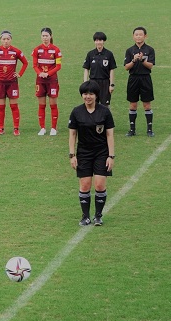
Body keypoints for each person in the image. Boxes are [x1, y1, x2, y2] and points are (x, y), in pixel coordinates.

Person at [68, 80, 115, 227]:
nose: (88, 97)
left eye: (91, 94)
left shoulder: (104, 112)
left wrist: (111, 156)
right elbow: (72, 134)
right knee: (85, 185)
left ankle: (98, 216)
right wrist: (72, 155)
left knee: (100, 185)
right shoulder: (76, 112)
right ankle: (86, 216)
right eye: (85, 94)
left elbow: (109, 135)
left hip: (101, 152)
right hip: (83, 153)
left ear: (96, 95)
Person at [0, 30, 28, 136]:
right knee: (0, 106)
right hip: (0, 83)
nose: (6, 41)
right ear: (0, 40)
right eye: (3, 39)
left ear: (11, 40)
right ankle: (1, 129)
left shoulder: (16, 51)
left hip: (12, 83)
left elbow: (25, 62)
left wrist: (19, 74)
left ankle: (16, 128)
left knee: (14, 106)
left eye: (8, 39)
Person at [124, 26, 155, 137]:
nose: (138, 36)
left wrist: (142, 60)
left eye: (140, 34)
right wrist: (134, 60)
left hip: (145, 78)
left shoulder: (150, 50)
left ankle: (149, 130)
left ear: (145, 36)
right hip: (133, 79)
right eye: (136, 35)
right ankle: (132, 130)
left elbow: (150, 65)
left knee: (147, 105)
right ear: (133, 36)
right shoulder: (129, 51)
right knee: (133, 105)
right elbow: (126, 67)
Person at [31, 27, 62, 136]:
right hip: (40, 81)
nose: (45, 38)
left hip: (52, 80)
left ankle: (53, 128)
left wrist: (47, 74)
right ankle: (42, 128)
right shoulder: (36, 50)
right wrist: (40, 73)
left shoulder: (56, 50)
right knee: (41, 105)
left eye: (46, 36)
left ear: (50, 36)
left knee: (53, 104)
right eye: (43, 36)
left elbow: (58, 66)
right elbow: (34, 65)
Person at [83, 31, 116, 106]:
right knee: (92, 104)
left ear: (103, 41)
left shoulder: (109, 54)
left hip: (105, 82)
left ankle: (105, 118)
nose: (98, 42)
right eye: (96, 40)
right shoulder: (90, 54)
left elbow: (111, 70)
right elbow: (86, 69)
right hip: (93, 82)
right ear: (94, 41)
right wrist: (85, 83)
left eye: (100, 40)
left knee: (105, 105)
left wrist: (111, 84)